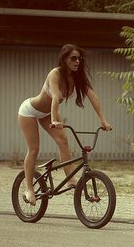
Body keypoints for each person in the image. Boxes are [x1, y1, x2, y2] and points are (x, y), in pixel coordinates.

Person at [17, 44, 113, 205]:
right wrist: (54, 119)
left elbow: (93, 96)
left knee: (63, 141)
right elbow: (55, 97)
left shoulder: (77, 77)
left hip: (47, 113)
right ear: (64, 59)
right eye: (73, 58)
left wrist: (103, 120)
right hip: (29, 111)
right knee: (34, 149)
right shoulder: (54, 74)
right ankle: (29, 188)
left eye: (79, 58)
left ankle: (70, 179)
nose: (77, 61)